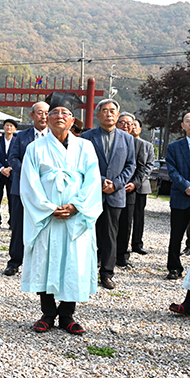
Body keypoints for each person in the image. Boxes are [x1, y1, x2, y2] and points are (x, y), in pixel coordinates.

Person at [20, 92, 102, 335]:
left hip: (76, 216)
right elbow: (29, 183)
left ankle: (67, 314)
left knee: (73, 262)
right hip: (48, 216)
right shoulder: (35, 148)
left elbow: (93, 181)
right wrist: (48, 208)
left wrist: (76, 206)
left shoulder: (85, 146)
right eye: (53, 112)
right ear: (46, 116)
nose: (58, 116)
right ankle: (47, 313)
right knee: (46, 260)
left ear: (73, 120)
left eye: (64, 113)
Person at [81, 99, 135, 290]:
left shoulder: (127, 138)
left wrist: (117, 184)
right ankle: (85, 272)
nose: (109, 114)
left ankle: (107, 273)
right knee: (88, 233)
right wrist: (100, 180)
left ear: (118, 115)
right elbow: (82, 164)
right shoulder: (86, 137)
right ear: (98, 115)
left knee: (111, 235)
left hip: (115, 194)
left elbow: (131, 165)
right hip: (92, 192)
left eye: (112, 111)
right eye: (104, 110)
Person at [4, 101, 49, 276]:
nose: (43, 116)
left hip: (47, 190)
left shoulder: (54, 136)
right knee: (18, 226)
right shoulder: (22, 136)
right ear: (32, 116)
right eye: (39, 113)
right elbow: (13, 158)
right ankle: (14, 262)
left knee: (45, 227)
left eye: (46, 113)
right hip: (21, 188)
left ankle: (42, 264)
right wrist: (28, 173)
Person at [114, 113, 147, 268]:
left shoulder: (138, 144)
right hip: (110, 188)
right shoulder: (111, 139)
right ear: (116, 123)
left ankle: (122, 255)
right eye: (122, 122)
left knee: (126, 223)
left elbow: (141, 168)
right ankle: (103, 254)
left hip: (129, 190)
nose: (126, 126)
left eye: (130, 123)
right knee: (108, 223)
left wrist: (134, 184)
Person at [164, 112, 190, 280]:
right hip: (181, 197)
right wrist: (186, 186)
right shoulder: (174, 147)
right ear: (182, 125)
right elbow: (172, 171)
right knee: (176, 235)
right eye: (188, 121)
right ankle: (174, 267)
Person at [130, 118, 155, 256]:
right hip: (125, 185)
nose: (132, 127)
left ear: (140, 129)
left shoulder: (147, 146)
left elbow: (149, 166)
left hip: (140, 186)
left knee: (139, 216)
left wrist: (138, 181)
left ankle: (137, 244)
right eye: (130, 125)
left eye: (135, 125)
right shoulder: (123, 142)